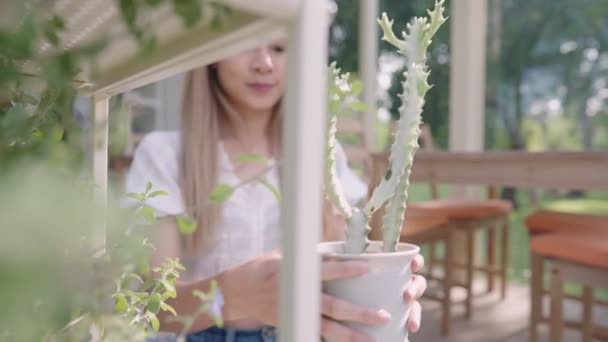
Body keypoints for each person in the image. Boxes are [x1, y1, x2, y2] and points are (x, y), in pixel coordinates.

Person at [125, 39, 427, 342]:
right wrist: (232, 294)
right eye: (248, 43)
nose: (264, 64)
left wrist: (383, 289)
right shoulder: (165, 155)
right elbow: (151, 306)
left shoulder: (322, 157)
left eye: (280, 48)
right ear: (212, 53)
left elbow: (342, 272)